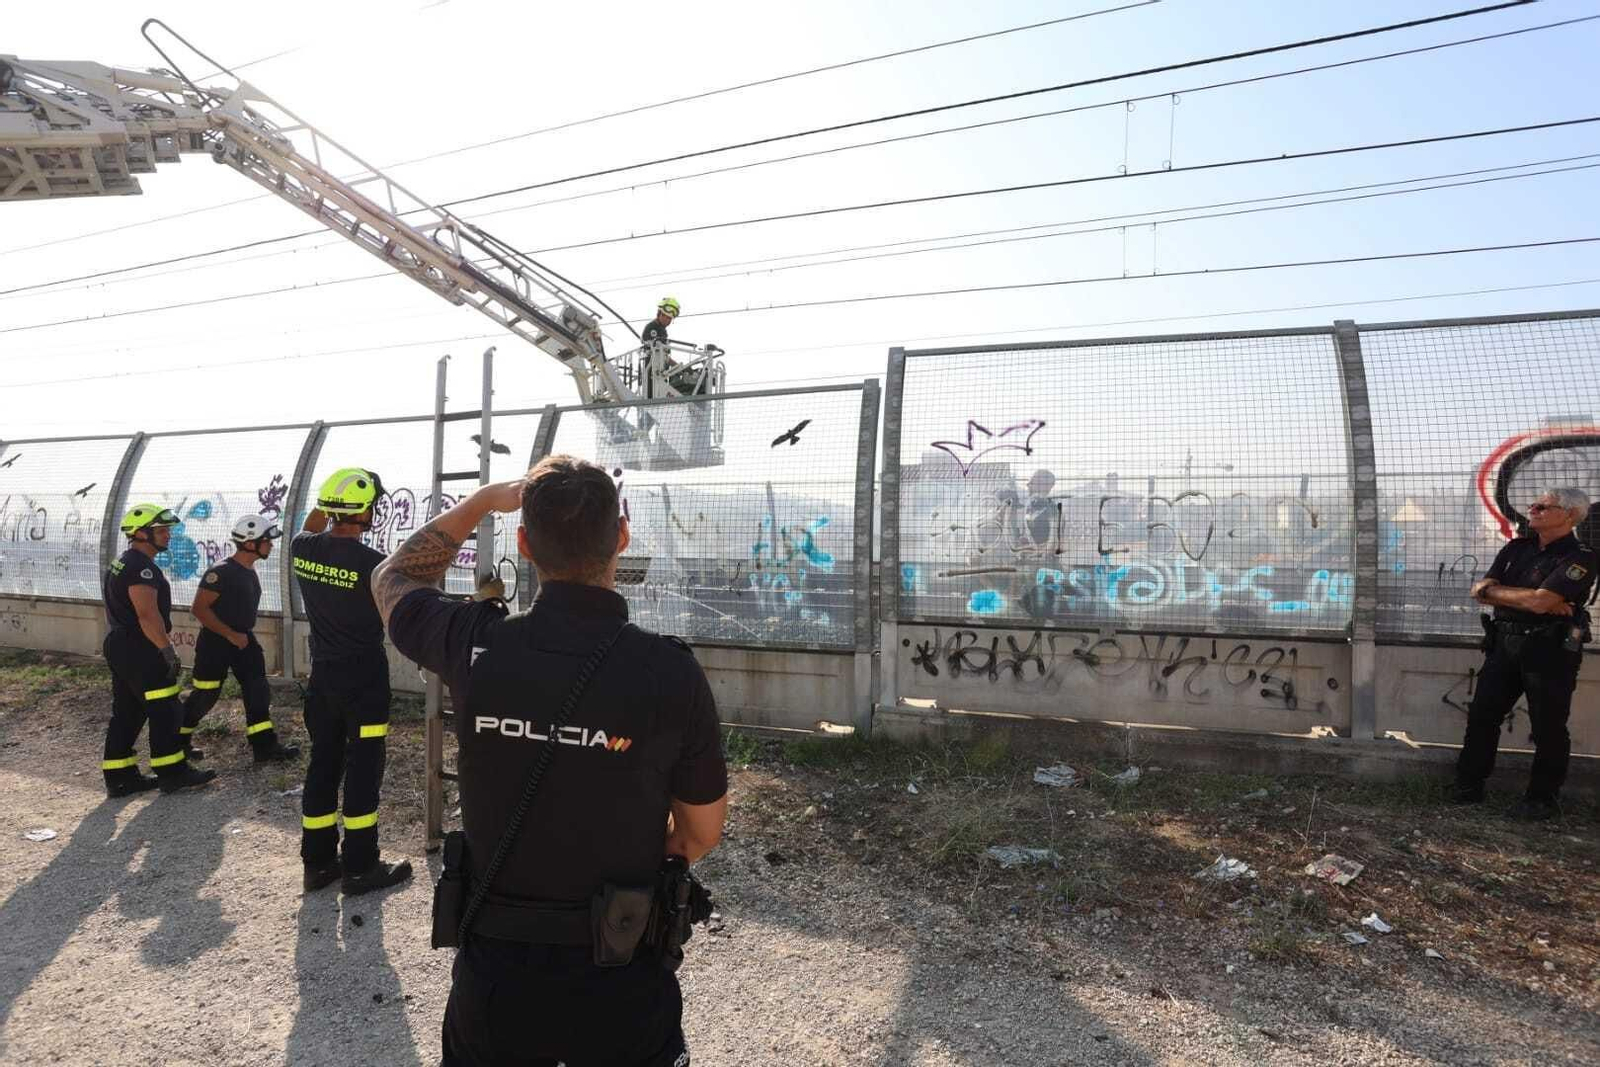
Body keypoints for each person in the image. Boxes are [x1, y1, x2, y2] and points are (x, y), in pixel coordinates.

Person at [373, 455, 727, 1067]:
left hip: (496, 978)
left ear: (524, 545)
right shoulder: (669, 673)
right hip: (622, 972)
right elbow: (700, 831)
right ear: (621, 535)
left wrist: (485, 499)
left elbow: (393, 577)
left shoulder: (475, 643)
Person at [292, 468, 413, 895]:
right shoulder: (374, 566)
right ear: (366, 513)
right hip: (362, 679)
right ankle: (361, 867)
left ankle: (319, 863)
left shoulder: (301, 548)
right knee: (363, 767)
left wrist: (329, 501)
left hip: (322, 676)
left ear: (327, 509)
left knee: (323, 762)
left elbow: (309, 525)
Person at [1454, 487, 1597, 819]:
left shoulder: (1580, 556)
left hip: (1549, 650)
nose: (1533, 510)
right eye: (1533, 505)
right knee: (1482, 715)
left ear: (1570, 515)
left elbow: (1538, 602)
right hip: (1504, 644)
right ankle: (1468, 785)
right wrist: (1527, 596)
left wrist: (1504, 593)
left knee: (1548, 726)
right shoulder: (1517, 548)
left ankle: (1541, 799)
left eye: (1543, 507)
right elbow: (1481, 590)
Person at [101, 503, 218, 797]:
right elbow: (147, 615)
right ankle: (172, 772)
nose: (168, 535)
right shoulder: (142, 569)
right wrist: (167, 650)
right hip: (142, 648)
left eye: (167, 530)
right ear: (140, 534)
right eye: (161, 531)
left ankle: (120, 776)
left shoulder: (123, 562)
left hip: (122, 645)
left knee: (128, 711)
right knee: (167, 710)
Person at [179, 514, 300, 763]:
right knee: (206, 694)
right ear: (250, 542)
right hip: (216, 643)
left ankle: (264, 747)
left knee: (258, 690)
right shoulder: (221, 572)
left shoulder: (248, 570)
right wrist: (230, 634)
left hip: (244, 641)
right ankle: (177, 743)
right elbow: (199, 609)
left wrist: (240, 636)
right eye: (267, 540)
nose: (271, 545)